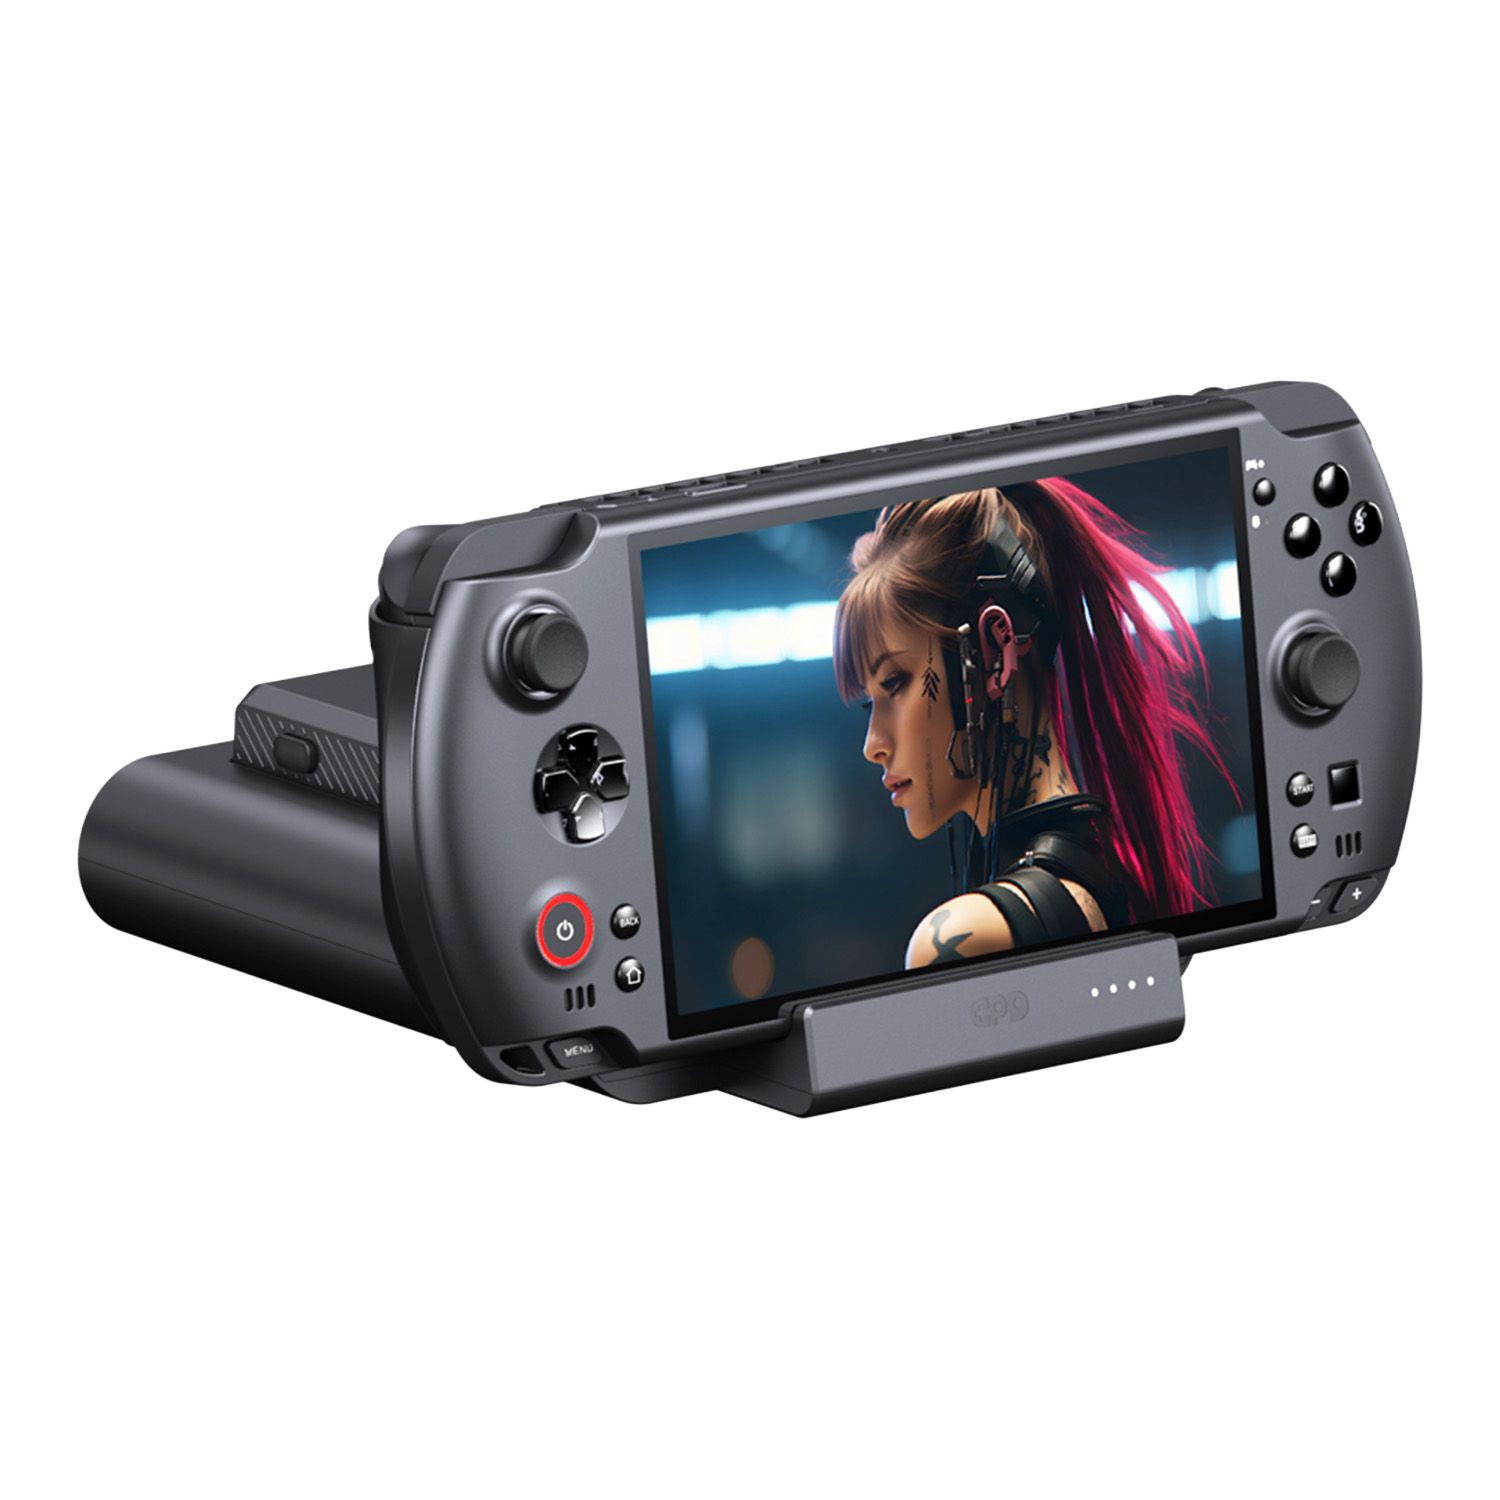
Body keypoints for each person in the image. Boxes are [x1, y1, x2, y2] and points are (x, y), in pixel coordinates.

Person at [832, 481, 1225, 970]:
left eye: (894, 682)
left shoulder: (957, 938)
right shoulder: (1109, 870)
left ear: (996, 654)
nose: (873, 745)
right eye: (869, 704)